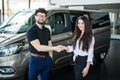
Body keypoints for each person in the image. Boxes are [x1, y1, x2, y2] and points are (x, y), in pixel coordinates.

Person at [26, 8, 62, 80]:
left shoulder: (47, 30)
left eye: (43, 16)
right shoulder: (31, 31)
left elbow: (49, 43)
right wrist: (55, 48)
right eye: (39, 16)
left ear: (45, 18)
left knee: (44, 78)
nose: (41, 18)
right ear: (35, 17)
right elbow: (38, 47)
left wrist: (51, 56)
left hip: (47, 59)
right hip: (36, 60)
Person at [61, 16, 95, 80]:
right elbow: (73, 48)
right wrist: (64, 47)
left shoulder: (90, 37)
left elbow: (90, 53)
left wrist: (87, 67)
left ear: (86, 24)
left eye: (82, 23)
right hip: (77, 60)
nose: (80, 25)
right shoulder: (77, 34)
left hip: (83, 61)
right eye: (78, 23)